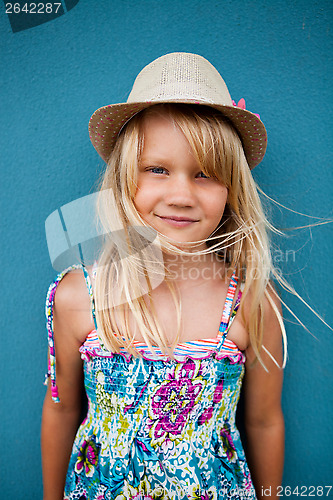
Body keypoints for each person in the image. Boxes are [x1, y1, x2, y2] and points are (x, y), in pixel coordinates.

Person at [42, 52, 285, 500]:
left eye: (205, 175)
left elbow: (264, 420)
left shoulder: (250, 301)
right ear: (123, 180)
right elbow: (61, 409)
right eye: (157, 169)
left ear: (231, 190)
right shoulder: (81, 297)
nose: (181, 195)